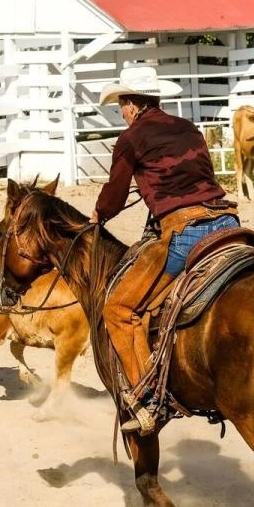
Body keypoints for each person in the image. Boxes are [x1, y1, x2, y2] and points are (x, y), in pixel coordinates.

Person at [89, 66, 240, 435]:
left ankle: (147, 402)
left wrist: (99, 216)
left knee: (119, 308)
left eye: (122, 103)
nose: (121, 110)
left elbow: (116, 191)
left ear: (130, 103)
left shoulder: (131, 139)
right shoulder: (189, 129)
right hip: (228, 223)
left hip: (186, 233)